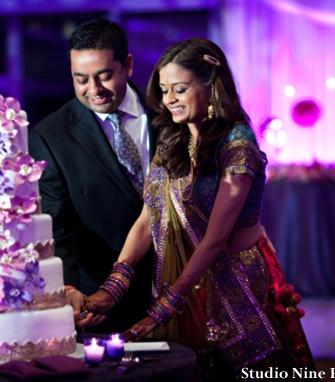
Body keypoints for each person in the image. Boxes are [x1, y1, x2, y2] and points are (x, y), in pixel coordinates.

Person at [83, 38, 317, 380]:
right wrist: (113, 286)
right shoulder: (172, 141)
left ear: (211, 85)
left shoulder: (237, 144)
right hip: (183, 282)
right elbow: (147, 221)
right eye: (164, 90)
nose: (169, 100)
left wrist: (164, 309)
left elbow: (215, 238)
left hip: (234, 279)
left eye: (179, 88)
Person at [29, 19, 157, 332]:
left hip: (182, 279)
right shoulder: (50, 136)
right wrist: (70, 289)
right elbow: (59, 222)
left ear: (127, 65)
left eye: (104, 76)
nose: (94, 90)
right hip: (104, 294)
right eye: (81, 79)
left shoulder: (167, 111)